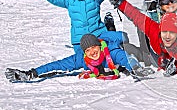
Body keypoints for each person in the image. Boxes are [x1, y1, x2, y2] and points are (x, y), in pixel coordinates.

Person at [104, 0, 177, 76]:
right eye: (164, 32)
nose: (167, 36)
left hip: (168, 60)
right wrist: (118, 1)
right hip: (153, 56)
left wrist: (176, 69)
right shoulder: (154, 29)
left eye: (172, 33)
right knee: (128, 47)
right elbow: (136, 15)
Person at [5, 32, 154, 82]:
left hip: (119, 42)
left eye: (94, 47)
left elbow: (125, 58)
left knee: (133, 47)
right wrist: (32, 73)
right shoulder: (81, 59)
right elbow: (58, 65)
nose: (92, 52)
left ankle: (110, 27)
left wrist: (135, 68)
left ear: (100, 46)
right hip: (103, 41)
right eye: (88, 50)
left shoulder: (111, 51)